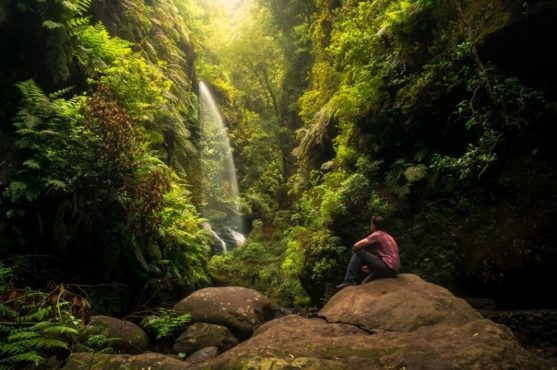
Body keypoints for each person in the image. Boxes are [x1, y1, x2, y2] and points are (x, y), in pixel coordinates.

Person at [336, 215, 400, 289]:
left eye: (371, 224)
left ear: (373, 226)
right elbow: (385, 257)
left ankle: (349, 280)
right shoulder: (389, 236)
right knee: (365, 283)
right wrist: (371, 266)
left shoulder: (377, 234)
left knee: (359, 252)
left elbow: (356, 245)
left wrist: (360, 260)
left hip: (388, 268)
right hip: (393, 271)